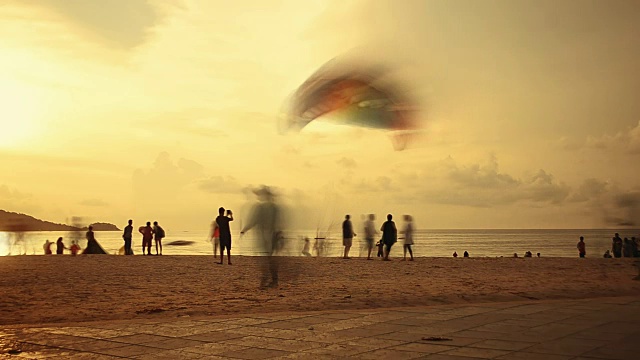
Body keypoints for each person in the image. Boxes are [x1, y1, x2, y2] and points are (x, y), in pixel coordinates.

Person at [241, 186, 283, 288]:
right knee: (270, 258)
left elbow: (254, 220)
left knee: (265, 259)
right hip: (274, 235)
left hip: (266, 236)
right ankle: (274, 280)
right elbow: (279, 222)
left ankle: (267, 279)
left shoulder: (261, 207)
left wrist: (244, 229)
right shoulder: (274, 207)